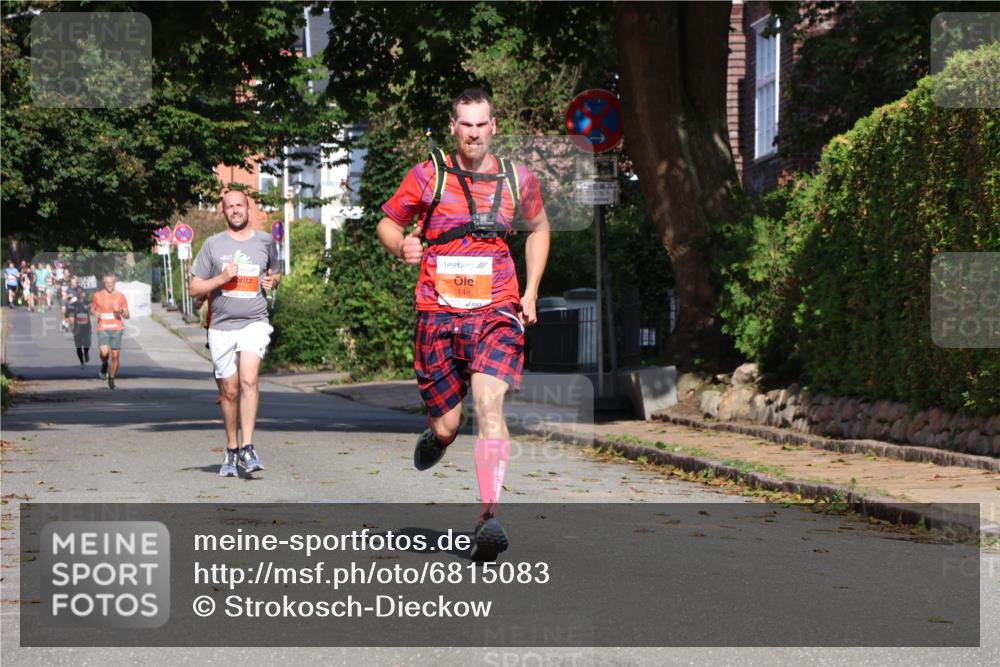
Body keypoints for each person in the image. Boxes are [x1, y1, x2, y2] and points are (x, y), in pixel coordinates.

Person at [376, 88, 550, 561]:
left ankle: (488, 515)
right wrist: (402, 247)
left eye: (482, 124)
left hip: (496, 310)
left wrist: (530, 290)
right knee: (450, 424)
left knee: (490, 403)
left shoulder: (518, 180)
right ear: (454, 127)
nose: (474, 133)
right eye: (465, 124)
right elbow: (388, 224)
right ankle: (439, 436)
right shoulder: (428, 176)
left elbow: (539, 229)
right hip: (438, 312)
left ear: (494, 126)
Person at [189, 190, 281, 478]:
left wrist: (272, 281)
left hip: (255, 320)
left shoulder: (266, 241)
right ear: (223, 212)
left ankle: (249, 447)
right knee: (229, 392)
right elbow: (194, 288)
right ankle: (231, 449)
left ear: (248, 208)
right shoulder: (213, 245)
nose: (235, 210)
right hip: (221, 327)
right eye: (229, 207)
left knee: (249, 378)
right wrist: (221, 279)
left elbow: (275, 273)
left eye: (239, 205)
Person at [91, 273, 130, 389]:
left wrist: (121, 310)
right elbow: (92, 309)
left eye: (111, 283)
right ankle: (104, 364)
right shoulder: (97, 295)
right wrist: (95, 313)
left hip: (117, 328)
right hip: (103, 327)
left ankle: (111, 379)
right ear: (104, 283)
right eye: (107, 283)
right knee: (104, 353)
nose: (109, 285)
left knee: (115, 356)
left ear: (114, 283)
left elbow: (127, 315)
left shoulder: (120, 296)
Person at [63, 276, 92, 367]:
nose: (79, 294)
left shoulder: (88, 303)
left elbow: (93, 311)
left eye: (81, 292)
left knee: (87, 344)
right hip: (77, 328)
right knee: (78, 346)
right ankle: (82, 362)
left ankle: (86, 353)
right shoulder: (73, 304)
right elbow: (67, 313)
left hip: (86, 327)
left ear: (84, 294)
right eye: (78, 293)